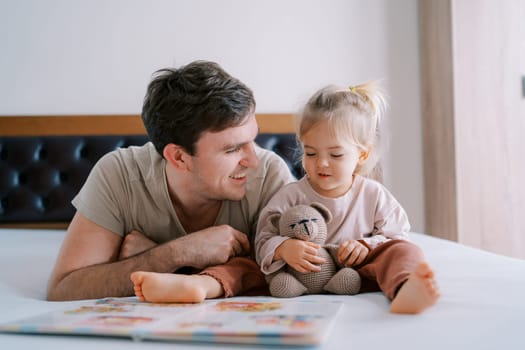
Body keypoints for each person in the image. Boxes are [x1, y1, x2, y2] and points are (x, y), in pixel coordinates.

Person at [47, 60, 295, 302]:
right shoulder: (119, 175)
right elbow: (64, 287)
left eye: (252, 139)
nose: (252, 160)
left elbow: (303, 273)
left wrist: (152, 257)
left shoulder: (269, 175)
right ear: (178, 157)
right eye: (232, 149)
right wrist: (176, 253)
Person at [255, 82, 440, 314]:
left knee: (405, 251)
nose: (321, 162)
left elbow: (398, 234)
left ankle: (404, 289)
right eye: (310, 153)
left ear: (362, 154)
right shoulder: (291, 195)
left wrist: (366, 245)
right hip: (298, 278)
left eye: (336, 154)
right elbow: (262, 238)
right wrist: (283, 248)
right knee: (243, 267)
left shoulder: (373, 194)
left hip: (356, 275)